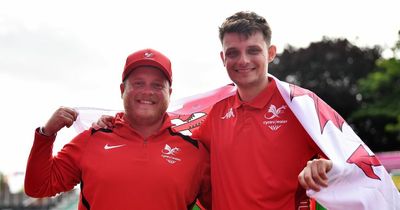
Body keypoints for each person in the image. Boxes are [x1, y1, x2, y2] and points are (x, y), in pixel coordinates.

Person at [95, 12, 400, 210]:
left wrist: (326, 167)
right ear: (222, 58)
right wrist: (118, 122)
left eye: (253, 50)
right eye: (233, 53)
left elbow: (355, 162)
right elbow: (167, 135)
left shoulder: (303, 106)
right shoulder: (214, 114)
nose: (243, 60)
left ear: (270, 53)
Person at [24, 48, 211, 210]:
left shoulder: (195, 153)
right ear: (122, 89)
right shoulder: (91, 140)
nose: (147, 91)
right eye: (138, 83)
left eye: (157, 85)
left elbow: (226, 201)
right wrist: (46, 134)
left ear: (169, 93)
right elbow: (39, 187)